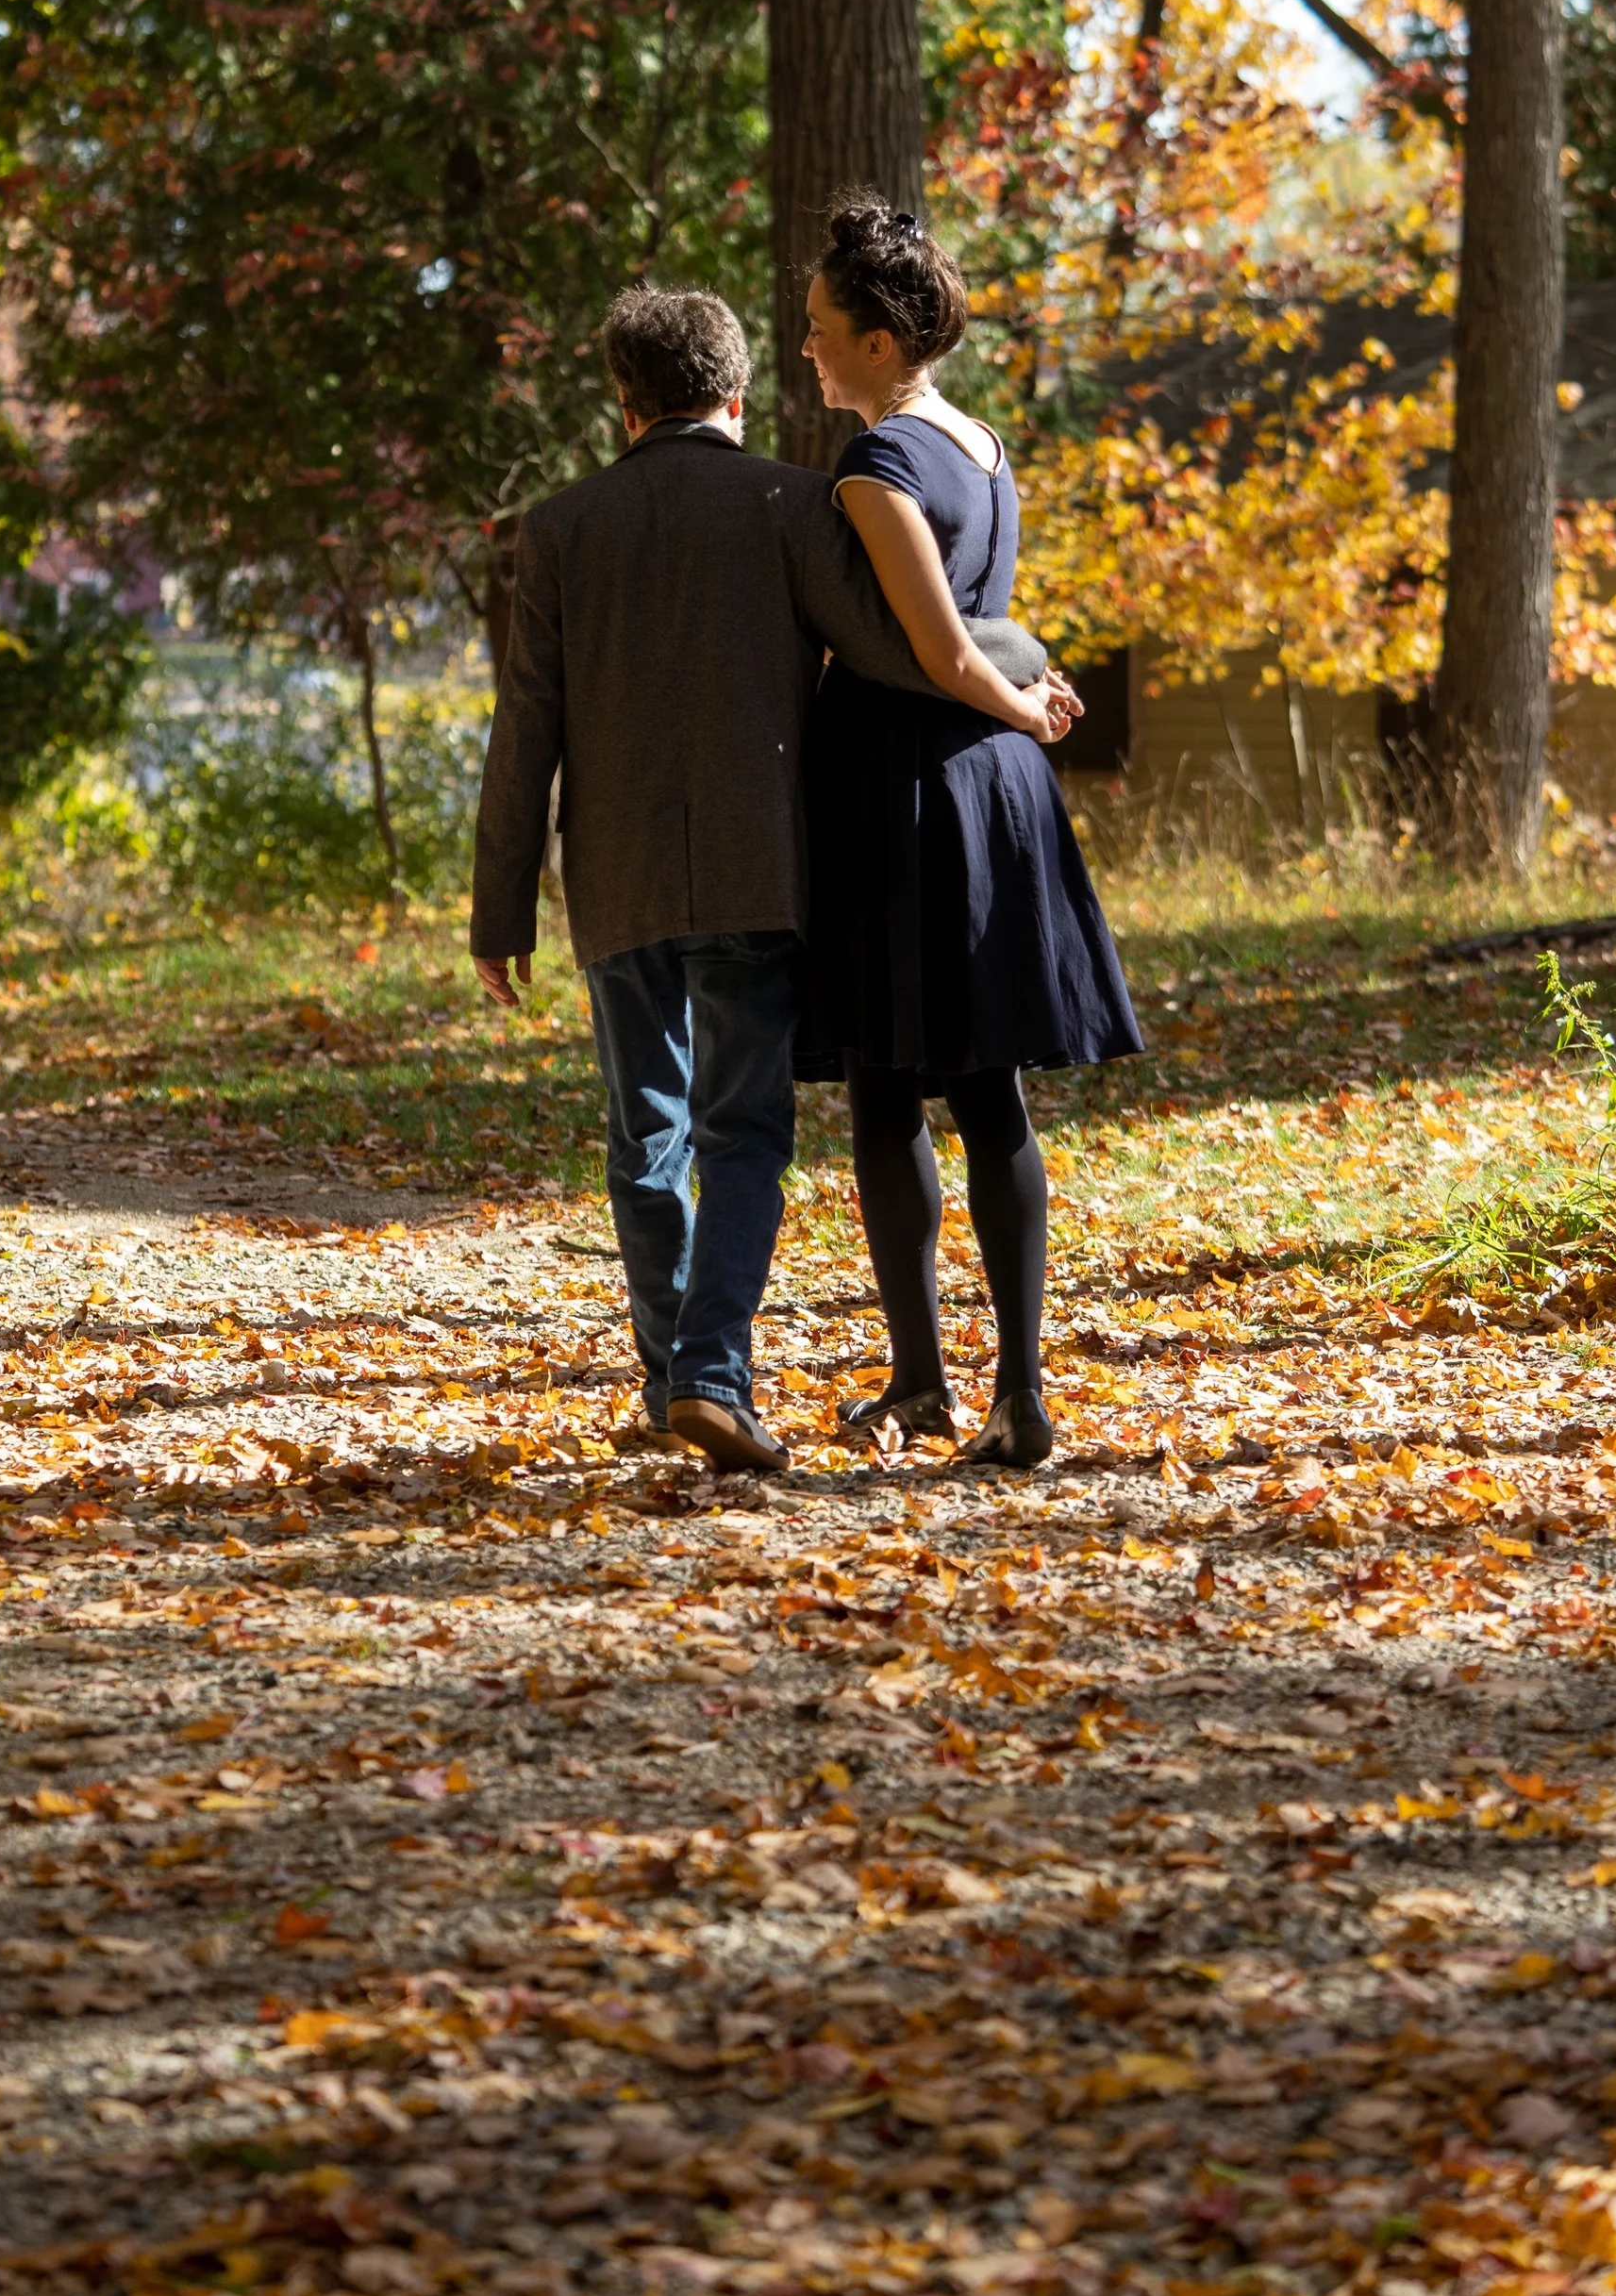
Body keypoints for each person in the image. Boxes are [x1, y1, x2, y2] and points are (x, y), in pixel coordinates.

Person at [469, 282, 1073, 1477]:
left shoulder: (559, 526)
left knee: (641, 1137)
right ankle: (708, 1374)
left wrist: (501, 910)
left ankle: (673, 1379)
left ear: (624, 401)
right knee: (741, 1131)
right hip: (758, 871)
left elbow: (523, 729)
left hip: (617, 879)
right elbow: (906, 647)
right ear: (735, 395)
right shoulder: (792, 503)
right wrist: (1023, 671)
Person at [798, 196, 1142, 1472]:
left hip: (912, 783)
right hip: (989, 780)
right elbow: (985, 632)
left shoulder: (875, 465)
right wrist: (1029, 705)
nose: (811, 348)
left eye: (826, 328)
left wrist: (1021, 706)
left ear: (885, 340)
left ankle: (953, 1386)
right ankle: (999, 1393)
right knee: (978, 1085)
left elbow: (937, 649)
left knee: (894, 1090)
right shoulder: (983, 445)